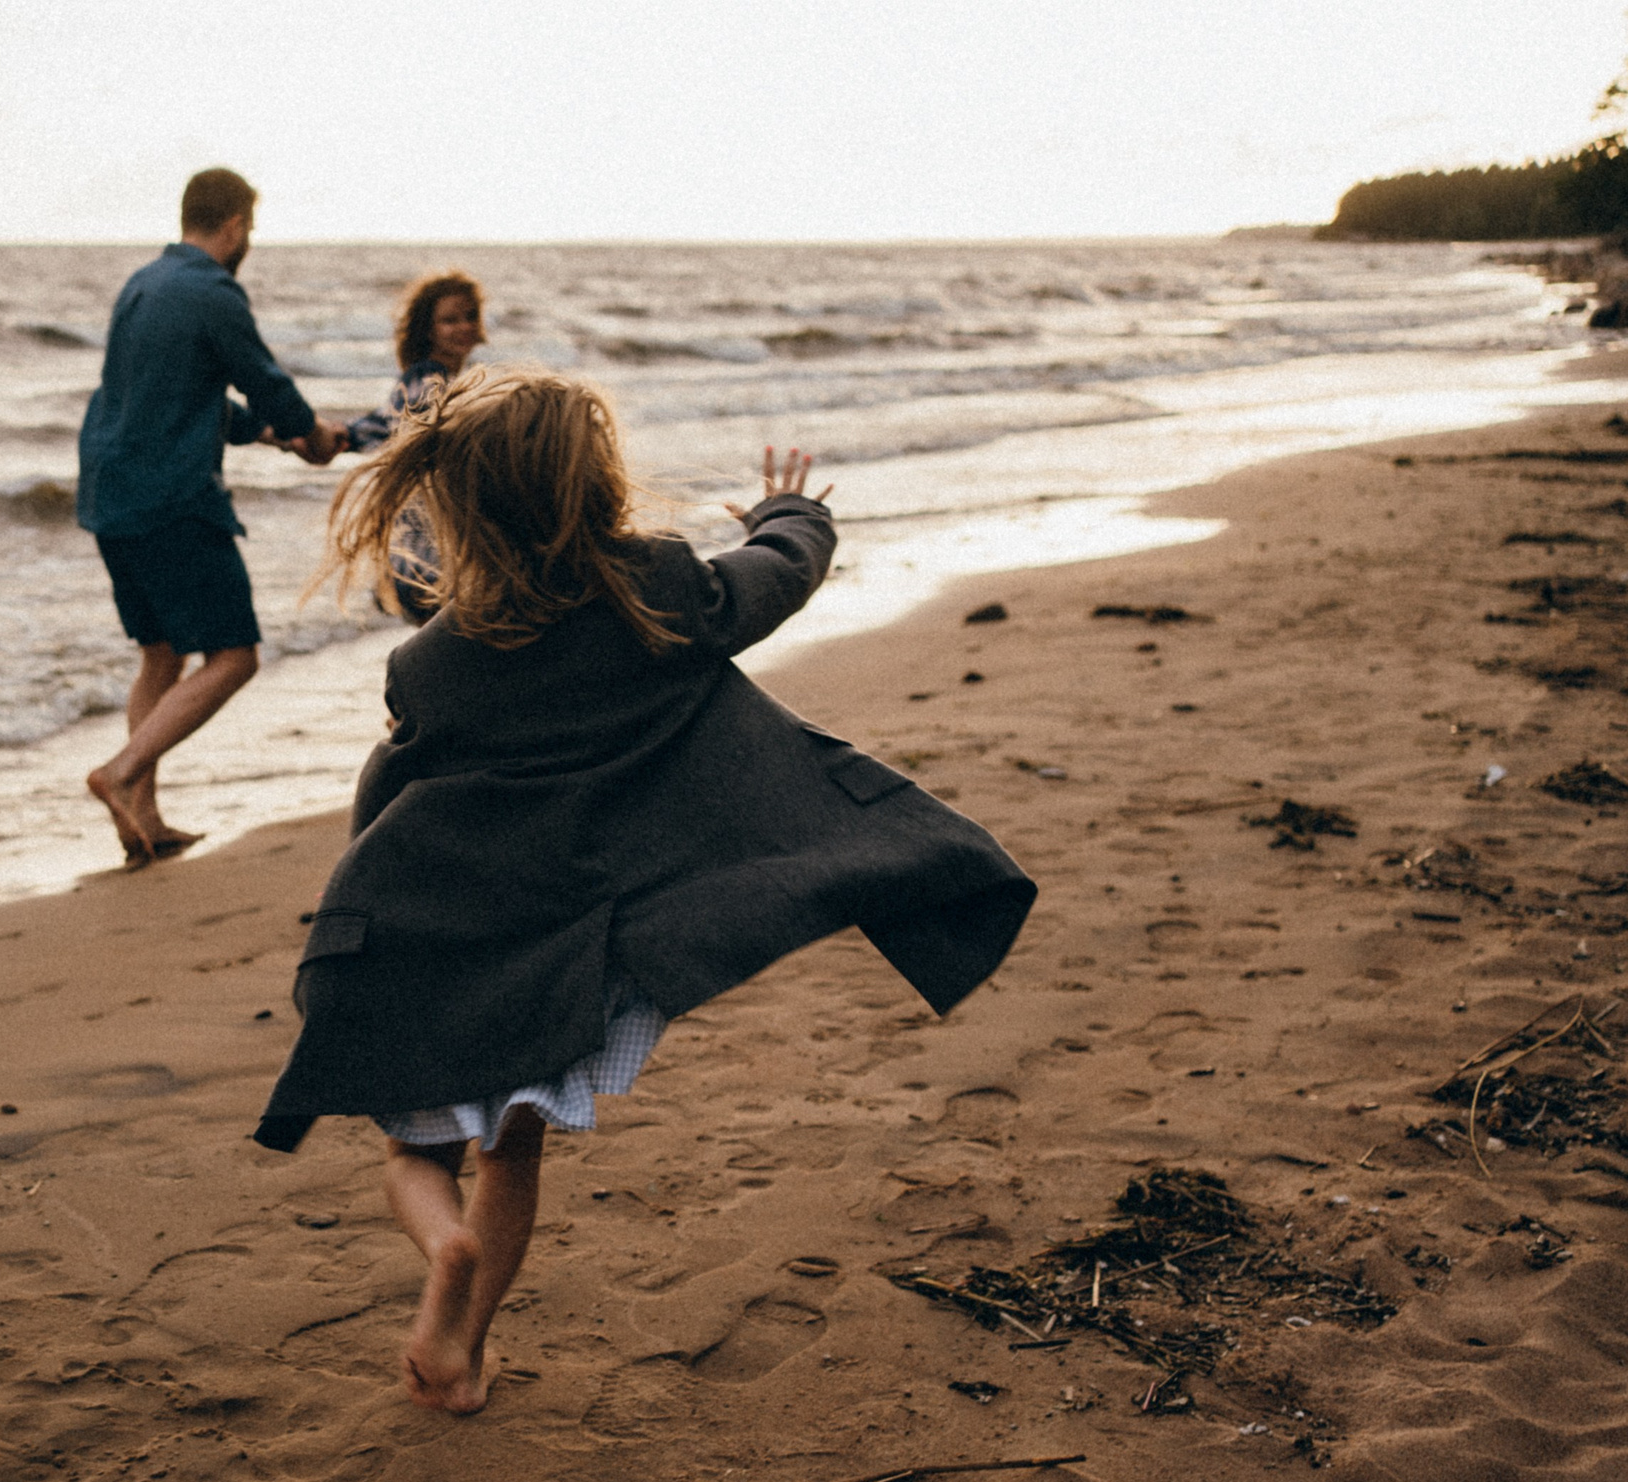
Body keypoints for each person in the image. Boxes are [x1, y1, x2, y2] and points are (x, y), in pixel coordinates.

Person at [249, 369, 1037, 1413]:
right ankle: (466, 1338)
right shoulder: (659, 589)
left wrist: (359, 932)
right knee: (512, 1150)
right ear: (596, 487)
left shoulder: (432, 660)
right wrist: (789, 510)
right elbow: (777, 572)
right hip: (574, 946)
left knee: (413, 1147)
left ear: (461, 508)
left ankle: (441, 1249)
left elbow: (390, 806)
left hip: (455, 936)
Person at [76, 167, 344, 867]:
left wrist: (263, 433)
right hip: (172, 499)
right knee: (234, 655)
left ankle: (144, 817)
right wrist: (310, 436)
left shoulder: (142, 285)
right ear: (234, 225)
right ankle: (122, 772)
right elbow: (265, 380)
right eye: (247, 228)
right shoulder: (212, 290)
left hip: (110, 495)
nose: (247, 240)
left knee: (161, 654)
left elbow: (176, 396)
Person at [339, 270, 488, 616]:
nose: (464, 326)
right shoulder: (430, 382)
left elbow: (377, 428)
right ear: (427, 329)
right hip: (430, 544)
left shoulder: (434, 379)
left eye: (470, 316)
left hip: (414, 541)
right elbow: (420, 436)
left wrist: (333, 436)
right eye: (449, 320)